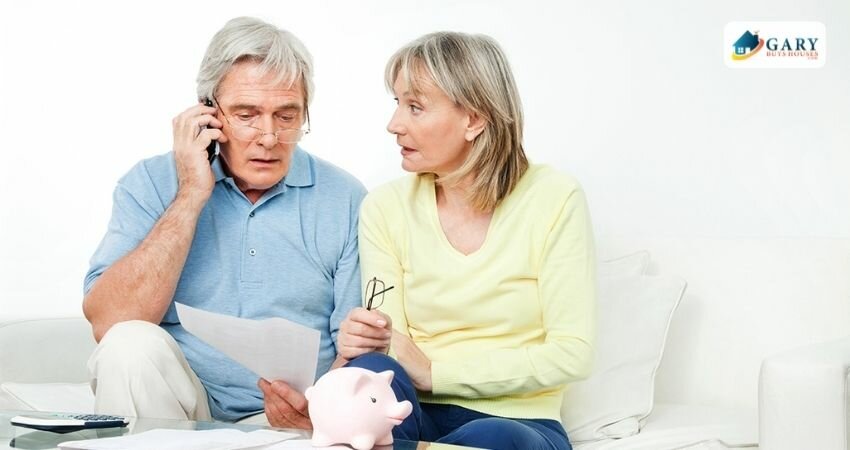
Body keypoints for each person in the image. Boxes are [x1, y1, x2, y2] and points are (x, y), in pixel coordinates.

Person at [82, 17, 365, 427]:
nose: (268, 137)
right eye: (247, 114)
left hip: (289, 417)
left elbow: (356, 347)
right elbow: (110, 323)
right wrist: (192, 193)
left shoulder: (346, 198)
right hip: (176, 407)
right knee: (128, 342)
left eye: (286, 117)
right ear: (209, 113)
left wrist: (318, 411)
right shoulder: (149, 182)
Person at [337, 31, 596, 450]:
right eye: (397, 103)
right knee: (367, 371)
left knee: (489, 437)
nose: (394, 124)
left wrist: (436, 374)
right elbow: (391, 349)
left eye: (415, 107)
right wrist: (363, 346)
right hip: (410, 412)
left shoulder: (554, 198)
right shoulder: (385, 207)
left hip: (519, 422)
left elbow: (572, 353)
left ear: (474, 119)